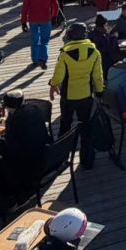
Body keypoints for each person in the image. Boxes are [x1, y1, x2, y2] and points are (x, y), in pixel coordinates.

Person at [49, 24, 104, 167]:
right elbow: (98, 76)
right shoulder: (95, 52)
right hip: (86, 95)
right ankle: (87, 161)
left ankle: (61, 159)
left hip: (68, 96)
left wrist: (52, 83)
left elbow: (58, 77)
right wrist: (99, 91)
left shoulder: (65, 54)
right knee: (86, 128)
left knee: (65, 127)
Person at [0, 90, 52, 203]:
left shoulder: (16, 121)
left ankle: (17, 193)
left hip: (27, 165)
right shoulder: (35, 110)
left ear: (9, 107)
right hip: (42, 155)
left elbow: (9, 151)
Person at [21, 0, 60, 70]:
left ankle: (35, 60)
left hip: (33, 20)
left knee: (35, 40)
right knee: (45, 41)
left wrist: (23, 22)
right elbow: (56, 4)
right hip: (46, 19)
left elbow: (25, 8)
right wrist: (54, 16)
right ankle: (43, 59)